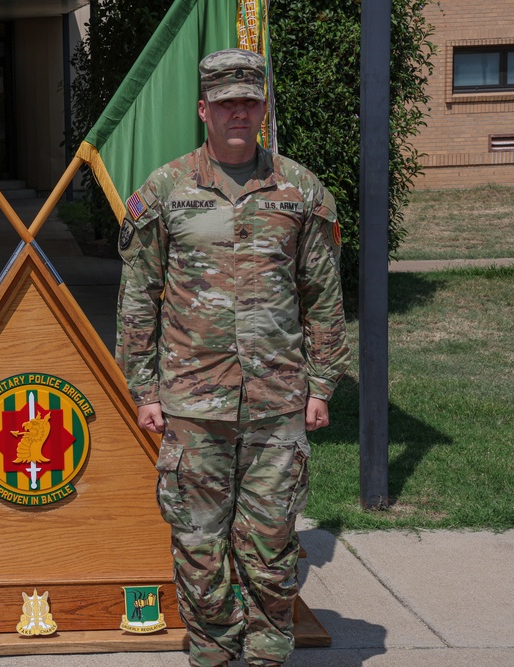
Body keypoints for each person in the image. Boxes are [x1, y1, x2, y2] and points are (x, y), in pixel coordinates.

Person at [117, 49, 351, 667]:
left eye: (249, 101)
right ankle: (214, 652)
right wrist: (143, 391)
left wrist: (322, 385)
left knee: (271, 544)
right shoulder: (165, 192)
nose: (238, 113)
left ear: (263, 107)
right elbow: (138, 299)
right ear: (204, 111)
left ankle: (270, 652)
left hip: (278, 403)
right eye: (226, 104)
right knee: (198, 549)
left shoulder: (300, 192)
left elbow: (323, 297)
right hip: (193, 403)